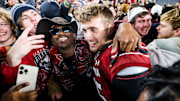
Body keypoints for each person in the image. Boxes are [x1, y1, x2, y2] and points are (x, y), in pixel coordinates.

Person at [77, 4, 151, 101]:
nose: (88, 37)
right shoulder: (103, 44)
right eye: (85, 30)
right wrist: (123, 25)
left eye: (93, 30)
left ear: (110, 28)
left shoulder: (127, 54)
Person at [36, 17, 100, 101]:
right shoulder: (48, 56)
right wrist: (53, 84)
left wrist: (123, 27)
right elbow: (47, 75)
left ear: (74, 35)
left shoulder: (90, 46)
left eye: (66, 29)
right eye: (55, 32)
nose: (61, 33)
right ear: (52, 40)